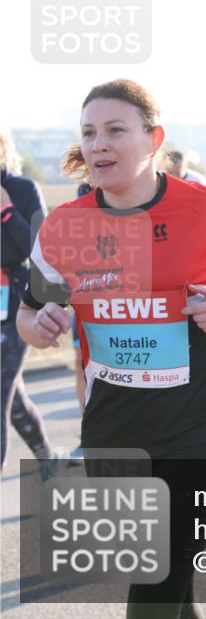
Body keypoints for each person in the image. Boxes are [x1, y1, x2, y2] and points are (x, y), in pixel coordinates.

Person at [16, 79, 206, 619]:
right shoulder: (65, 227)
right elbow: (27, 314)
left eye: (116, 130)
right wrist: (39, 324)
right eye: (89, 133)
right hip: (115, 434)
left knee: (156, 586)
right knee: (163, 581)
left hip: (202, 428)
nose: (99, 145)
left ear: (153, 138)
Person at [1, 130, 68, 476]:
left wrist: (7, 212)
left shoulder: (23, 189)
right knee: (11, 399)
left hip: (13, 295)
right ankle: (49, 459)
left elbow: (41, 251)